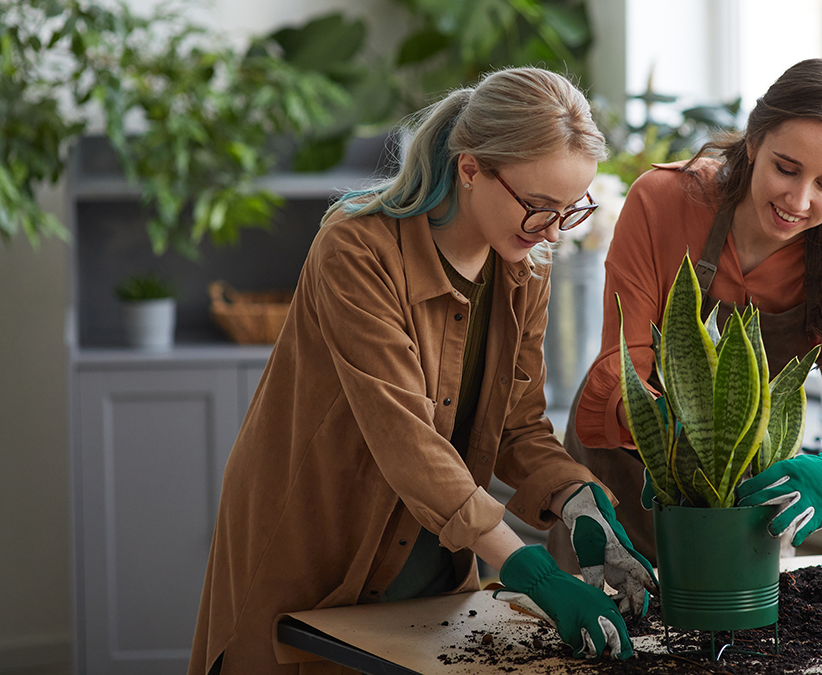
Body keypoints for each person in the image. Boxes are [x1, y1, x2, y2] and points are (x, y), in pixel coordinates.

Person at [189, 67, 656, 675]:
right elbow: (406, 438)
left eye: (571, 211)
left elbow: (518, 428)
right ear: (470, 168)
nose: (550, 230)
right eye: (539, 207)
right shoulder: (355, 250)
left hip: (436, 558)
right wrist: (535, 571)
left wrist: (579, 503)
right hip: (317, 555)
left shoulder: (526, 268)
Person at [548, 57, 822, 570]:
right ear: (753, 141)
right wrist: (682, 445)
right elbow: (620, 371)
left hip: (743, 509)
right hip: (618, 491)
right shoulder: (664, 202)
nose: (799, 199)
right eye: (785, 168)